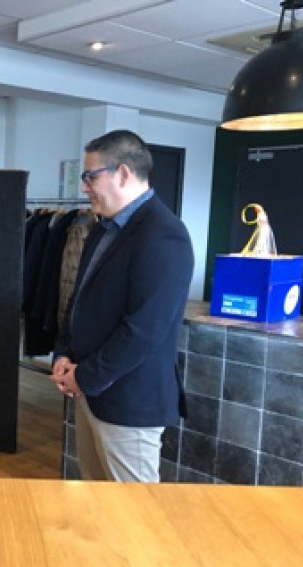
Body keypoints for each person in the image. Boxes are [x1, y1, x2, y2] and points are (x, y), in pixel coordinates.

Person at [50, 129, 194, 483]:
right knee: (98, 507)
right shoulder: (102, 228)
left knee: (136, 520)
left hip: (129, 402)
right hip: (90, 392)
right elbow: (79, 299)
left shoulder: (164, 234)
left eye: (90, 176)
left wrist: (85, 376)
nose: (84, 187)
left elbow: (145, 329)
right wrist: (63, 353)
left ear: (124, 173)